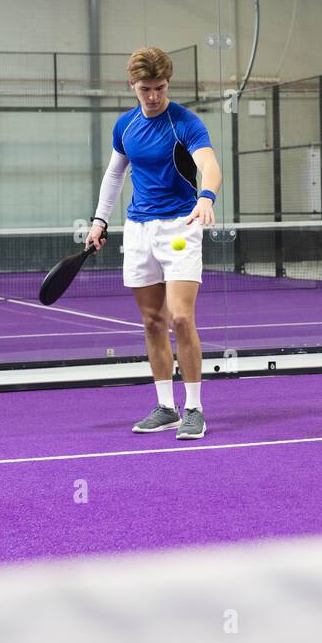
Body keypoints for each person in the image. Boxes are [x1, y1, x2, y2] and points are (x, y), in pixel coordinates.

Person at [87, 47, 221, 439]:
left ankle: (194, 408)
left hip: (182, 225)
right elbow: (114, 177)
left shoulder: (185, 123)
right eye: (145, 88)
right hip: (138, 230)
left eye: (160, 87)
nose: (153, 96)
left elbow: (209, 165)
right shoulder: (125, 127)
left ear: (168, 84)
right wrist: (99, 220)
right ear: (132, 86)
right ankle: (166, 407)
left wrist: (206, 196)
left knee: (181, 318)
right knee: (152, 321)